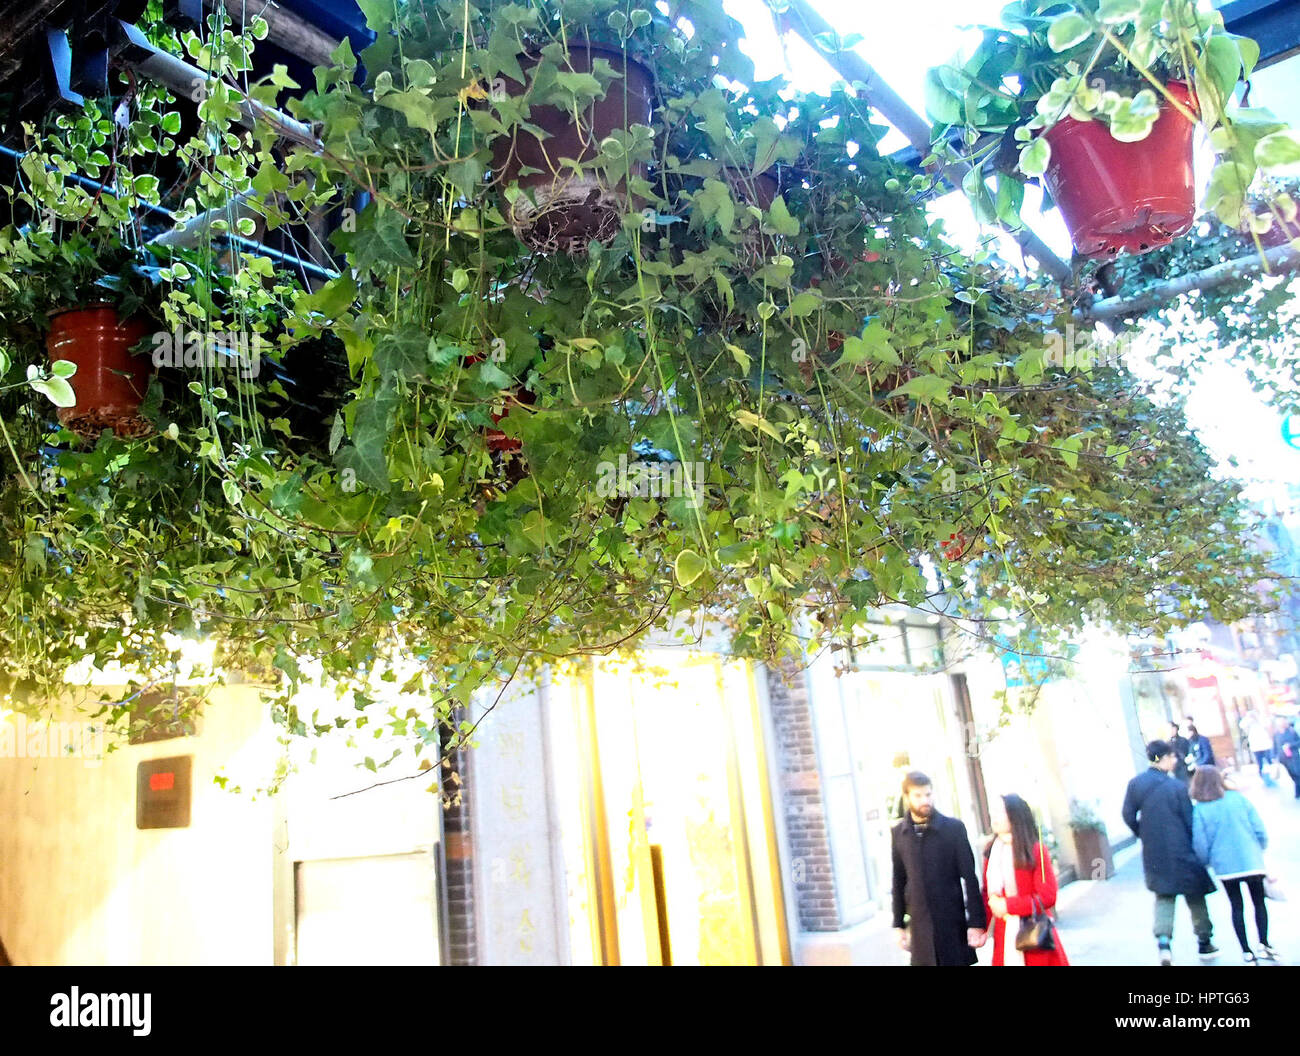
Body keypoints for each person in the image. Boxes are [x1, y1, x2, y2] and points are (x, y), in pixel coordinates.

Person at [1122, 740, 1219, 965]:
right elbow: (1189, 821)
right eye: (1173, 757)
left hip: (1155, 852)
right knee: (1195, 895)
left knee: (1164, 896)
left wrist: (1143, 833)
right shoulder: (1176, 787)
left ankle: (1164, 943)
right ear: (1164, 758)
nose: (1175, 761)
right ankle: (1204, 941)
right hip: (1182, 849)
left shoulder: (1136, 784)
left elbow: (1127, 814)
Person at [891, 771, 987, 966]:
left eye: (928, 794)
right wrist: (899, 924)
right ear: (907, 797)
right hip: (919, 929)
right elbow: (898, 880)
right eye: (918, 796)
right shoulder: (900, 833)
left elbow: (970, 878)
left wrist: (976, 923)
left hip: (952, 925)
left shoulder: (953, 829)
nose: (924, 800)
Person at [1190, 766, 1277, 963]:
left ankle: (1246, 951)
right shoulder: (1238, 799)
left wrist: (1207, 861)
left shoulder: (1200, 809)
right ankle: (1264, 943)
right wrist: (1259, 848)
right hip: (1251, 861)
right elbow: (1259, 829)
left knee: (1236, 906)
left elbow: (1200, 843)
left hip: (1225, 867)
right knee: (1259, 902)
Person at [980, 793, 1070, 966]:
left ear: (1014, 816)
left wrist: (1008, 906)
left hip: (1034, 934)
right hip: (1003, 937)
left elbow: (1048, 897)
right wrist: (980, 928)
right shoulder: (991, 851)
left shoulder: (1037, 850)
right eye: (993, 811)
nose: (994, 816)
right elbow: (987, 895)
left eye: (1000, 812)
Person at [1243, 712, 1276, 783]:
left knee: (1269, 760)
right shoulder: (1248, 723)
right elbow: (1242, 725)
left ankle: (1273, 774)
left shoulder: (1261, 720)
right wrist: (1248, 718)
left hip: (1265, 745)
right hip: (1256, 746)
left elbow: (1268, 724)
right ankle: (1262, 776)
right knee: (1259, 762)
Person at [1274, 718, 1300, 799]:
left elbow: (1298, 742)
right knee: (1291, 773)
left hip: (1294, 756)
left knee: (1297, 772)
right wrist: (1274, 756)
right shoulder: (1276, 734)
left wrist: (1290, 745)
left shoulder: (1291, 731)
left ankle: (1297, 791)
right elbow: (1275, 746)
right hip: (1284, 758)